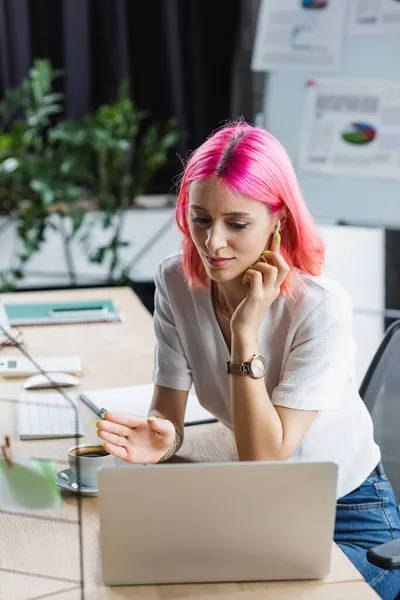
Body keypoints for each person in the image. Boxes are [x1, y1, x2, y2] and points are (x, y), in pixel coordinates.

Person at [96, 121, 400, 600]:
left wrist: (244, 330)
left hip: (346, 513)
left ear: (277, 220)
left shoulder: (319, 306)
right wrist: (164, 440)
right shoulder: (176, 281)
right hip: (251, 502)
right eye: (199, 219)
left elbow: (264, 457)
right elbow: (167, 415)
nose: (213, 243)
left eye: (237, 224)